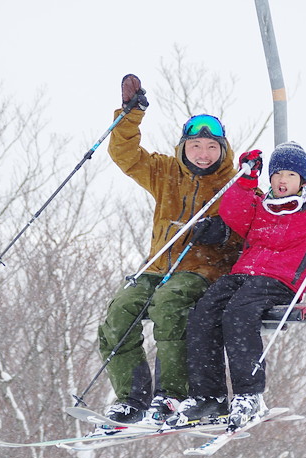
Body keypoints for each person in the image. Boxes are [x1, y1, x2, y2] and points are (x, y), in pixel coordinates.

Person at [168, 141, 306, 428]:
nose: (281, 181)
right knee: (205, 310)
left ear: (302, 180)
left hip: (280, 281)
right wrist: (246, 180)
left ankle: (248, 395)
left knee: (238, 314)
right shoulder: (261, 206)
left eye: (289, 175)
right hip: (244, 275)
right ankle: (208, 396)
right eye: (276, 175)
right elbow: (233, 214)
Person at [97, 74, 242, 424]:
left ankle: (172, 395)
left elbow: (250, 233)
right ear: (184, 148)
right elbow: (125, 155)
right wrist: (130, 115)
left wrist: (223, 233)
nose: (203, 154)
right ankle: (132, 398)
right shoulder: (165, 171)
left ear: (222, 149)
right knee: (119, 314)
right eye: (196, 147)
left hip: (202, 271)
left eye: (211, 148)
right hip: (158, 268)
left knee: (169, 304)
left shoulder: (234, 184)